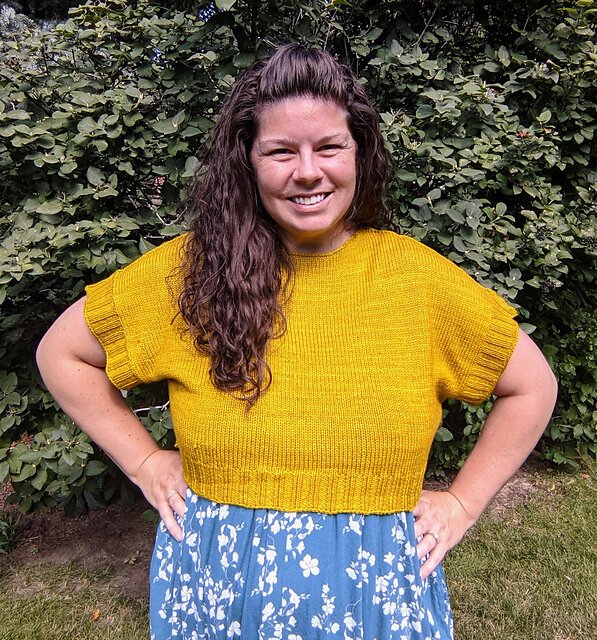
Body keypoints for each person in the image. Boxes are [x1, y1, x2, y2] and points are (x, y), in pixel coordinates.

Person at [36, 43, 558, 639]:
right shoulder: (191, 273)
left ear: (359, 153)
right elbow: (62, 354)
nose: (307, 171)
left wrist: (461, 504)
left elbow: (532, 386)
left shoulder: (417, 281)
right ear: (248, 161)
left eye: (329, 147)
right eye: (281, 151)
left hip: (376, 597)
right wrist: (146, 461)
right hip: (217, 592)